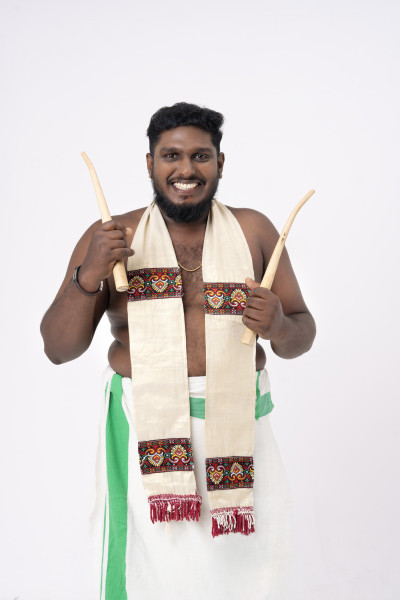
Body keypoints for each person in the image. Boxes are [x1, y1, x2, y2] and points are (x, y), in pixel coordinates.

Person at [41, 102, 316, 600]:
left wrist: (277, 324)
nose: (186, 169)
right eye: (171, 155)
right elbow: (59, 349)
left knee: (250, 568)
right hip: (143, 424)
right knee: (151, 573)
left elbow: (302, 333)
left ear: (220, 163)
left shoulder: (254, 231)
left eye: (200, 156)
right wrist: (89, 274)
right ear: (150, 163)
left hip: (240, 424)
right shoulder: (113, 236)